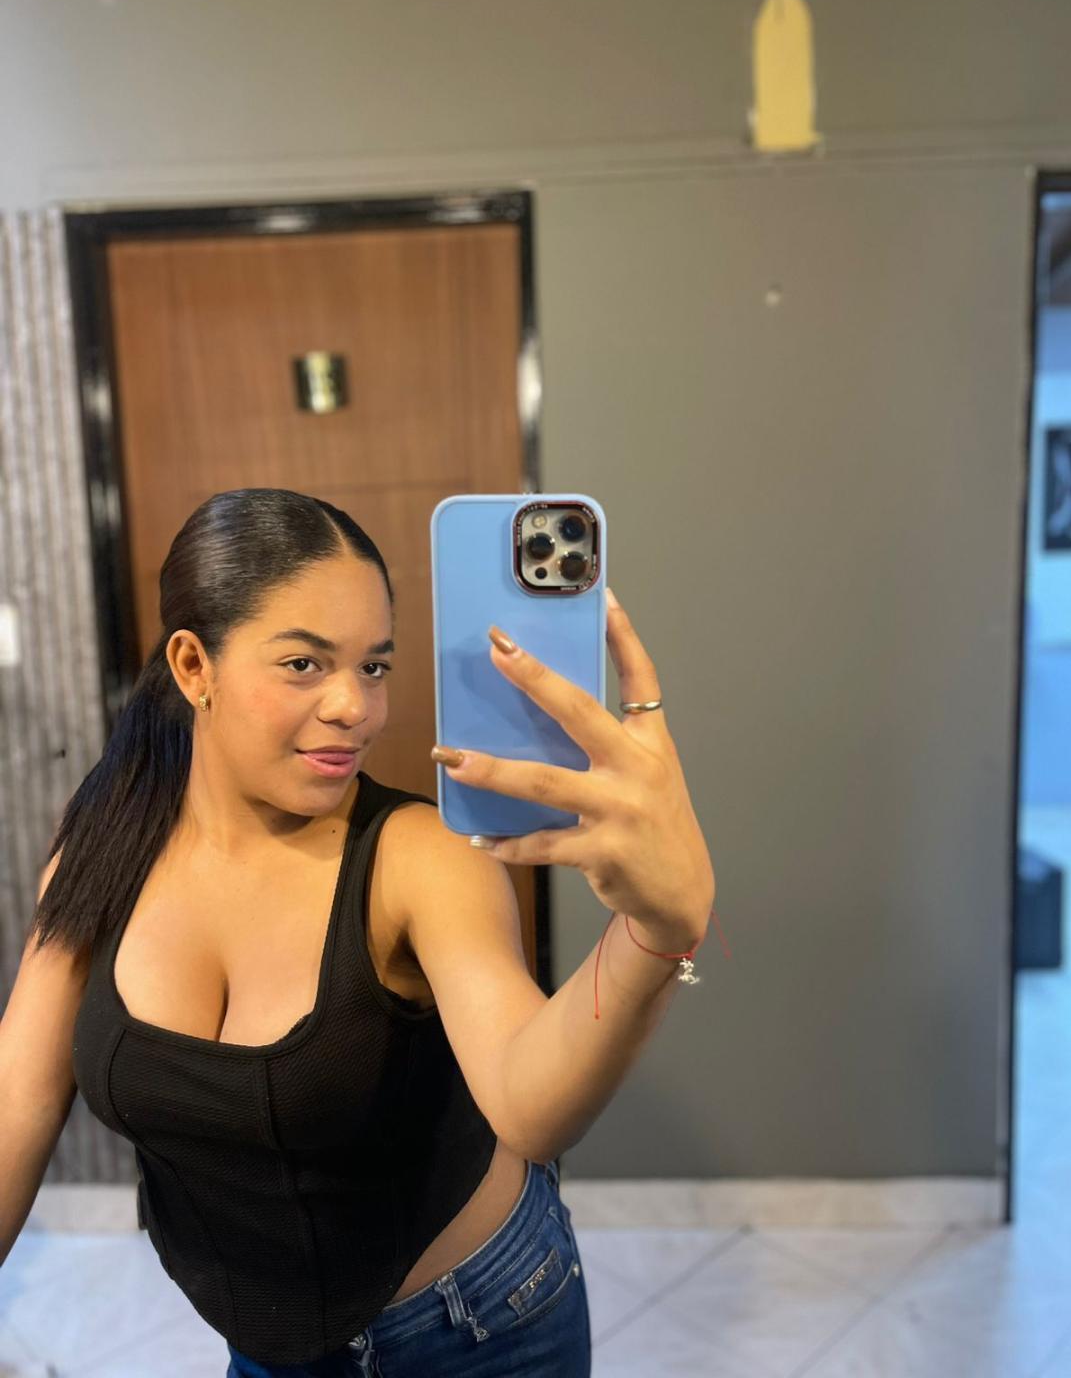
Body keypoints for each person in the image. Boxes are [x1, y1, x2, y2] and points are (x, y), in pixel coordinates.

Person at [1, 488, 716, 1376]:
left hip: (478, 1329)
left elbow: (529, 1107)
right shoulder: (103, 848)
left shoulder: (417, 856)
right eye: (304, 664)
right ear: (193, 666)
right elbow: (19, 1096)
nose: (356, 707)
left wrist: (655, 929)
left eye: (374, 666)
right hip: (269, 1354)